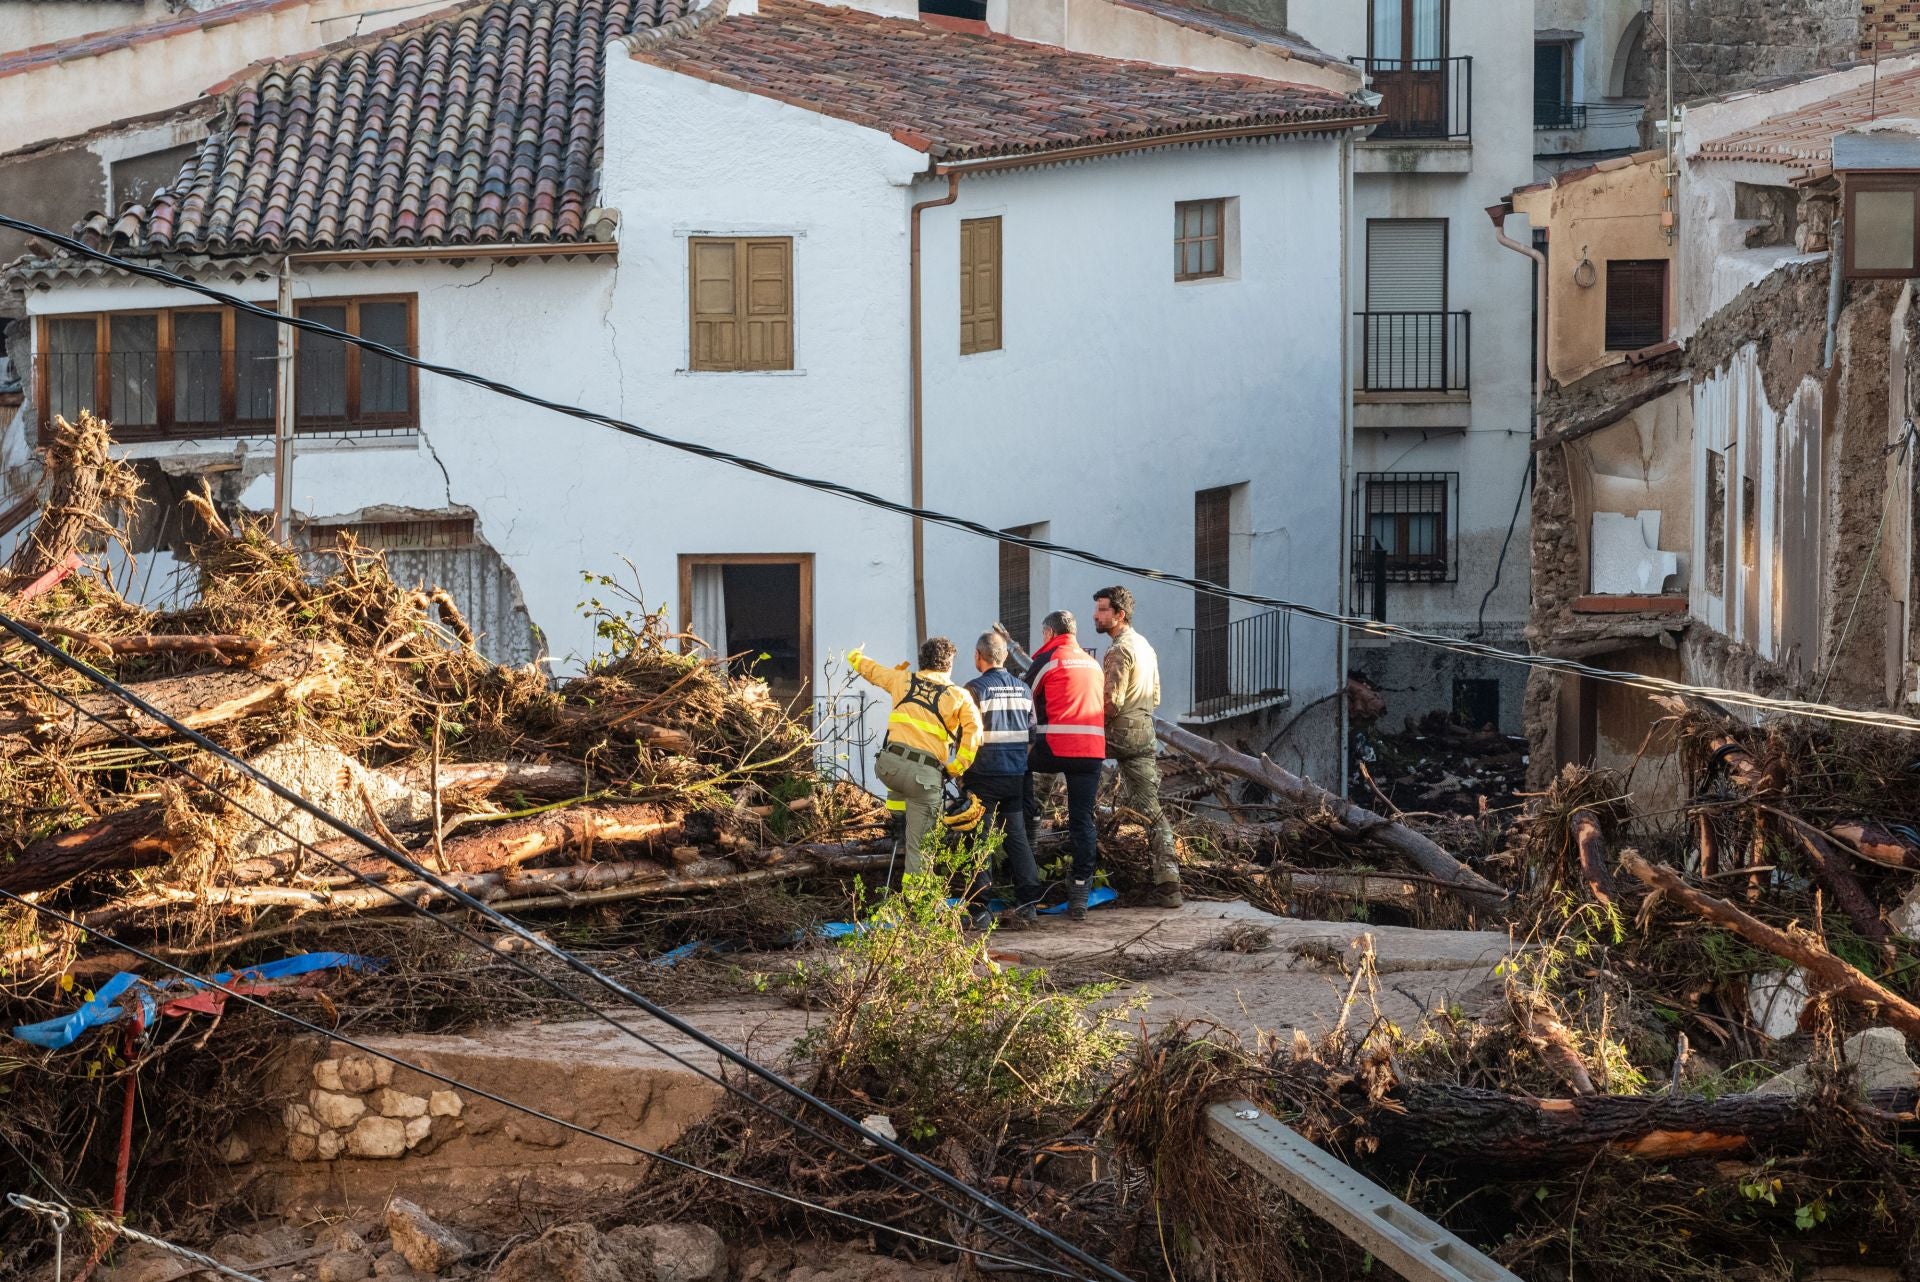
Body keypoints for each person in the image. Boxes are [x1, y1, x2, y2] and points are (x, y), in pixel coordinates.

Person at [848, 637, 983, 875]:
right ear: (949, 664)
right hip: (922, 776)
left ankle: (899, 822)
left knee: (902, 787)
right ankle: (918, 903)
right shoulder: (959, 696)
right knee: (921, 848)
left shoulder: (902, 679)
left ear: (922, 661)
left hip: (888, 768)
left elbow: (872, 671)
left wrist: (855, 656)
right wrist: (955, 768)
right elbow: (974, 734)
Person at [1093, 586, 1182, 908]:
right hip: (1145, 734)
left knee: (1066, 764)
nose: (1096, 615)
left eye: (1102, 610)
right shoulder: (1145, 646)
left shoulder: (1118, 650)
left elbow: (1111, 702)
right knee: (1151, 810)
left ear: (1119, 614)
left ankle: (1082, 863)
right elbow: (1155, 696)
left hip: (1118, 733)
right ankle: (1169, 883)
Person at [1024, 610, 1105, 920]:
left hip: (1055, 747)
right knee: (1083, 819)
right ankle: (1081, 892)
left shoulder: (1048, 659)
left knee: (1019, 770)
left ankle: (1027, 844)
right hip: (1092, 751)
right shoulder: (1092, 663)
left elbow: (1023, 697)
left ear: (1048, 634)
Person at [963, 631, 1041, 927]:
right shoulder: (1023, 688)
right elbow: (1032, 735)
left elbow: (966, 733)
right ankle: (1029, 903)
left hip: (983, 774)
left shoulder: (974, 689)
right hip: (1015, 775)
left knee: (979, 840)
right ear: (1005, 656)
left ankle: (980, 910)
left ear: (977, 656)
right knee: (1016, 836)